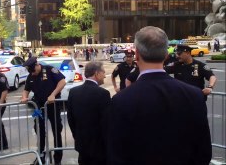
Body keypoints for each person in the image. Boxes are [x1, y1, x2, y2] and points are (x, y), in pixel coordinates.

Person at [107, 26, 212, 164]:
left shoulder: (120, 101)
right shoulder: (194, 96)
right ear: (166, 55)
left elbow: (116, 153)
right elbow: (203, 151)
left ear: (136, 55)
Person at [20, 57, 66, 165]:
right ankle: (41, 155)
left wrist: (53, 94)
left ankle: (58, 158)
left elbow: (62, 82)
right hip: (38, 106)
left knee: (56, 130)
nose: (33, 74)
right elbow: (26, 90)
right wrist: (24, 97)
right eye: (31, 72)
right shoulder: (31, 76)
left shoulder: (50, 70)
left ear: (37, 65)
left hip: (52, 105)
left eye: (34, 71)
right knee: (38, 129)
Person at [67, 61, 111, 164]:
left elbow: (70, 119)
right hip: (99, 147)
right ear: (96, 73)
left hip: (81, 144)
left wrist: (77, 136)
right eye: (103, 72)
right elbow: (107, 123)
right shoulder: (103, 94)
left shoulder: (74, 92)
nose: (104, 76)